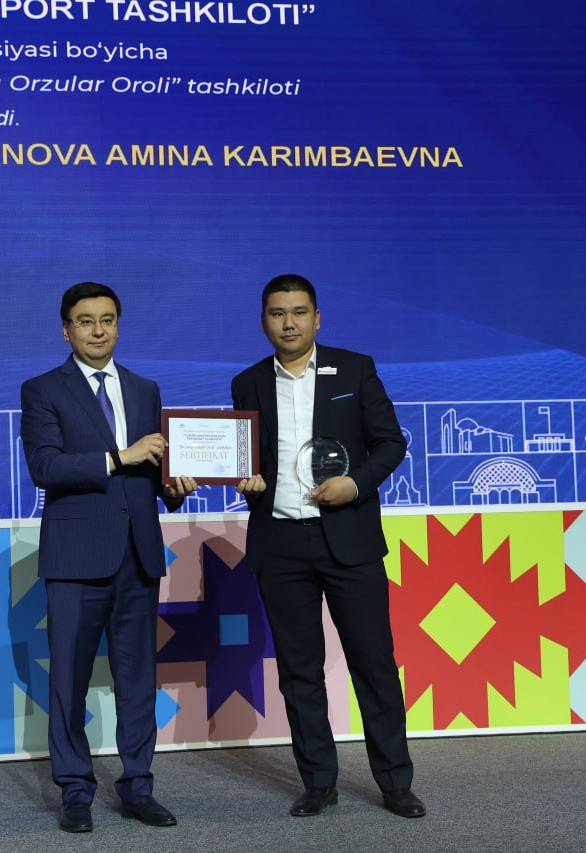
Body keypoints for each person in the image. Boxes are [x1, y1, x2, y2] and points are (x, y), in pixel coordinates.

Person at [231, 274, 426, 819]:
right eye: (277, 313)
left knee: (374, 665)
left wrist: (356, 484)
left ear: (317, 318)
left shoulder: (355, 369)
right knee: (299, 672)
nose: (288, 323)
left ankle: (395, 783)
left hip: (349, 539)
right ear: (263, 321)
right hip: (280, 543)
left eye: (299, 312)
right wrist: (249, 483)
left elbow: (391, 443)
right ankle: (318, 783)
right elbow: (249, 461)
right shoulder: (247, 383)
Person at [20, 282, 198, 834]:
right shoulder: (42, 389)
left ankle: (138, 786)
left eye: (107, 319)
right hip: (75, 556)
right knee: (68, 681)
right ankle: (75, 790)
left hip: (138, 553)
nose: (98, 330)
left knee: (138, 679)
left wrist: (174, 487)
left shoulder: (145, 389)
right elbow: (45, 467)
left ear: (119, 325)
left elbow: (154, 470)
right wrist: (119, 457)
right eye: (85, 320)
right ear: (65, 329)